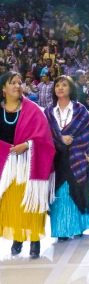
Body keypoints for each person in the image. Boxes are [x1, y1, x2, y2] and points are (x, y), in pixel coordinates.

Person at [0, 71, 55, 259]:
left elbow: (45, 139)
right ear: (3, 89)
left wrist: (27, 145)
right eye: (12, 82)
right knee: (12, 204)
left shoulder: (32, 110)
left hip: (29, 164)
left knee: (31, 203)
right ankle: (18, 236)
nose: (17, 86)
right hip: (6, 167)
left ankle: (34, 240)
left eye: (19, 82)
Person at [44, 75, 89, 241]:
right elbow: (44, 135)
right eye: (57, 85)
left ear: (71, 88)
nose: (60, 88)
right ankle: (61, 230)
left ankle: (78, 226)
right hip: (56, 159)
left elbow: (85, 134)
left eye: (64, 85)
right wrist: (60, 139)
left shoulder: (80, 109)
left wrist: (70, 140)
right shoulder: (48, 111)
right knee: (59, 192)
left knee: (76, 189)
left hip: (76, 157)